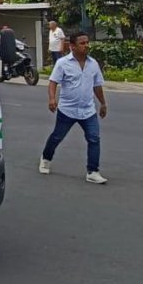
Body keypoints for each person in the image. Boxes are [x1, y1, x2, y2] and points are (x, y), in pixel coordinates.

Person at [40, 31, 108, 183]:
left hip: (88, 110)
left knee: (94, 138)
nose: (86, 46)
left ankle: (93, 171)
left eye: (87, 42)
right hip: (67, 110)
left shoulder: (93, 64)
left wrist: (103, 103)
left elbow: (97, 86)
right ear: (72, 46)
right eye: (82, 43)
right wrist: (52, 99)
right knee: (57, 137)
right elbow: (53, 82)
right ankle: (46, 158)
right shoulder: (62, 63)